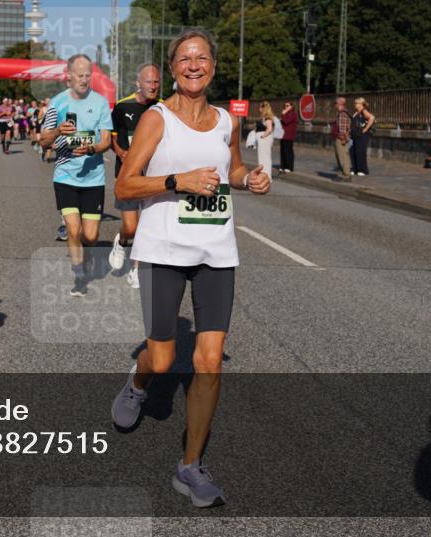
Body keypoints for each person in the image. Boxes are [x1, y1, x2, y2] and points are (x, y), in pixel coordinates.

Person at [110, 27, 270, 508]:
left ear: (214, 66)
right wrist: (179, 180)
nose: (194, 65)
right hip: (163, 251)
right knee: (162, 359)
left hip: (217, 252)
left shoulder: (226, 121)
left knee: (208, 360)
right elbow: (124, 186)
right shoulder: (157, 120)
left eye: (202, 58)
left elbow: (232, 169)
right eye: (184, 58)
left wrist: (248, 179)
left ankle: (190, 466)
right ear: (173, 67)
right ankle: (138, 384)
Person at [40, 54, 113, 297]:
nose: (84, 79)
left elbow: (106, 141)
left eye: (87, 75)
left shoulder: (101, 102)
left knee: (90, 236)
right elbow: (43, 140)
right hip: (65, 176)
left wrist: (91, 148)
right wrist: (59, 131)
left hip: (94, 178)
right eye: (79, 75)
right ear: (68, 76)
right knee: (73, 228)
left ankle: (86, 254)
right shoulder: (57, 104)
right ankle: (79, 273)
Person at [108, 63, 161, 289]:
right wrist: (120, 152)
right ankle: (121, 241)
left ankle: (137, 269)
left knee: (147, 226)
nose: (153, 86)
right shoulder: (122, 107)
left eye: (157, 82)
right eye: (149, 82)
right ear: (138, 83)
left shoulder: (163, 108)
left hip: (153, 175)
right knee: (131, 227)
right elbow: (111, 136)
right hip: (127, 174)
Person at [350, 97, 376, 176]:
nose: (354, 104)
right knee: (353, 151)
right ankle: (355, 168)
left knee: (360, 151)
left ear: (361, 104)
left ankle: (362, 169)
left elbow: (372, 118)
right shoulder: (356, 112)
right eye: (354, 103)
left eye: (356, 103)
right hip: (356, 134)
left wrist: (365, 129)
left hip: (362, 135)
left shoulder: (364, 111)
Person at [331, 96, 353, 181]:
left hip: (341, 138)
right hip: (340, 137)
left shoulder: (343, 114)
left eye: (335, 103)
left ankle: (346, 175)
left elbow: (343, 128)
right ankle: (343, 173)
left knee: (343, 156)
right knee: (340, 156)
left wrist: (343, 139)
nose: (335, 105)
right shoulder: (341, 113)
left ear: (340, 104)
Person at [256, 102, 276, 181]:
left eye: (260, 107)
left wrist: (262, 136)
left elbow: (269, 129)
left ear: (264, 108)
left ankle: (267, 176)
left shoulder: (267, 118)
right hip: (263, 139)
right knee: (262, 158)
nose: (259, 109)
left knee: (265, 158)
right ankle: (263, 175)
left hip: (265, 139)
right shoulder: (265, 117)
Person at [279, 101, 297, 173]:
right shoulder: (286, 113)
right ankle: (282, 166)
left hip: (289, 135)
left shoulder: (293, 114)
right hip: (283, 135)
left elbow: (286, 121)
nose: (286, 107)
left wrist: (283, 114)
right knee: (282, 151)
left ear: (291, 106)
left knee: (288, 151)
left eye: (287, 105)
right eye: (285, 105)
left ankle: (289, 166)